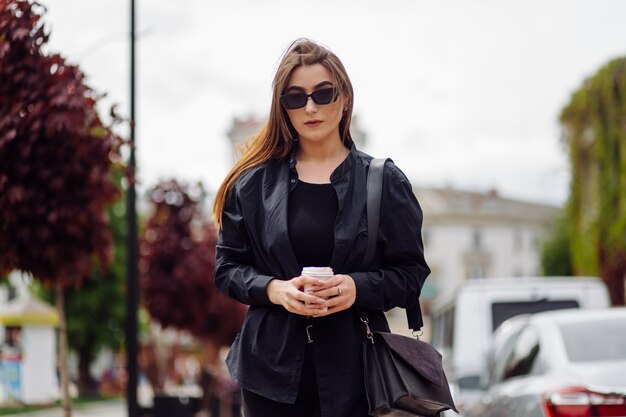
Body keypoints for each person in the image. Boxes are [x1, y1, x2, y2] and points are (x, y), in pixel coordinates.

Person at [212, 38, 429, 417]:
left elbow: (410, 274)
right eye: (296, 97)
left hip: (359, 375)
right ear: (284, 108)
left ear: (344, 98)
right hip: (269, 373)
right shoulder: (251, 184)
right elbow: (227, 268)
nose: (310, 107)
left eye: (322, 94)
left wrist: (355, 287)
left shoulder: (384, 181)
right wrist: (276, 290)